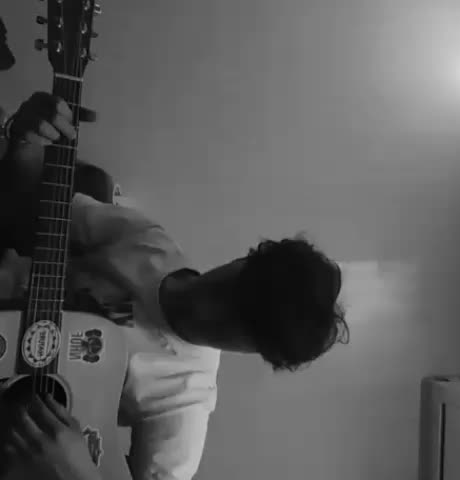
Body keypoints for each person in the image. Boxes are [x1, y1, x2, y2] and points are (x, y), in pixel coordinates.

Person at [0, 92, 348, 480]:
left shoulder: (186, 398)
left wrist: (75, 472)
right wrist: (26, 141)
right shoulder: (150, 243)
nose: (208, 310)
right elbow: (30, 205)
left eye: (235, 324)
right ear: (241, 261)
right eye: (228, 292)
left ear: (252, 350)